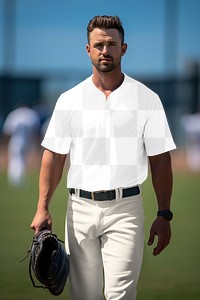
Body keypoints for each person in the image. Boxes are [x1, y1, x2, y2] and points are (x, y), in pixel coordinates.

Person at [31, 15, 176, 300]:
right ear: (88, 50)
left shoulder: (147, 99)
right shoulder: (69, 100)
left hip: (126, 210)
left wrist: (164, 213)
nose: (105, 51)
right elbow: (54, 156)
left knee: (119, 294)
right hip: (80, 209)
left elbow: (160, 160)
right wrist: (42, 207)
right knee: (84, 296)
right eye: (98, 45)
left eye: (112, 44)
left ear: (124, 48)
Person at [2, 103, 40, 186]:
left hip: (15, 140)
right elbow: (35, 131)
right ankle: (19, 179)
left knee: (15, 159)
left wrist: (5, 142)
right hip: (27, 140)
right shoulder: (31, 114)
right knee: (22, 159)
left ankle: (16, 180)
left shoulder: (14, 114)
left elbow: (7, 131)